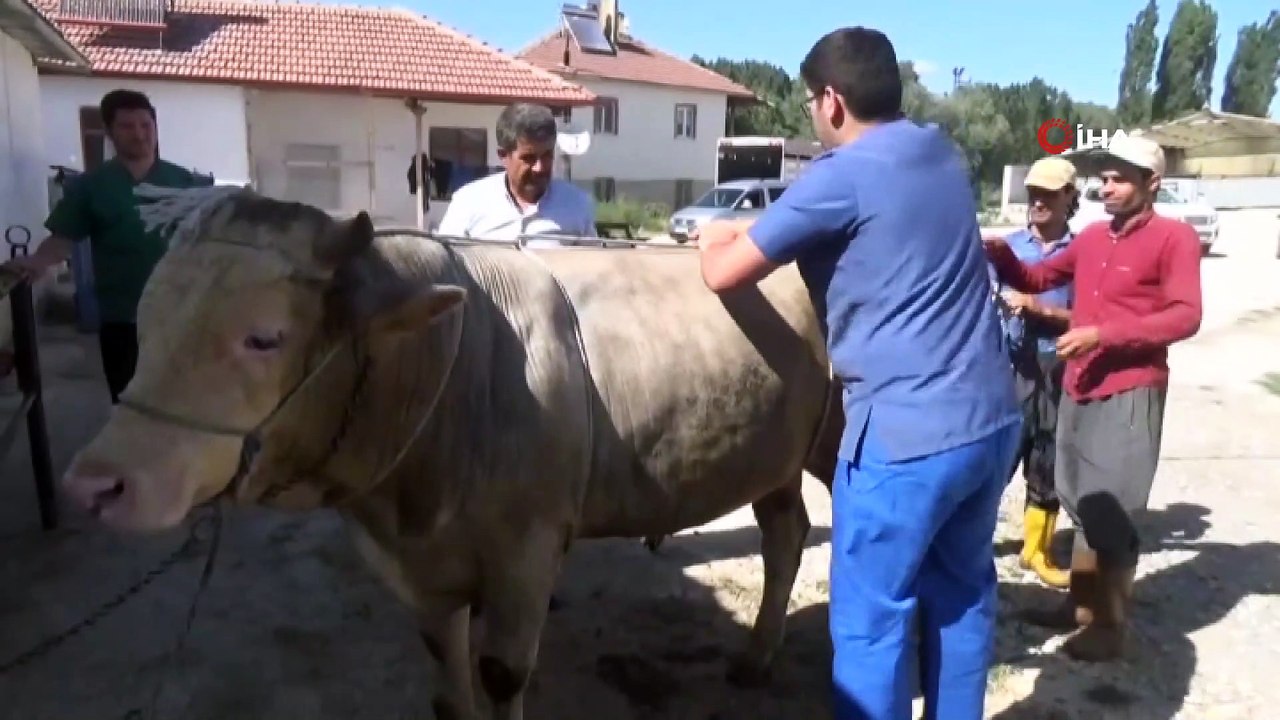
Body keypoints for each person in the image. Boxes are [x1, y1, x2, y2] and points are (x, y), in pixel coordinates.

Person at [694, 27, 1021, 720]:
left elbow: (724, 272)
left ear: (832, 102)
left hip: (905, 442)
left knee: (871, 629)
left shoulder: (839, 177)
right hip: (990, 422)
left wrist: (709, 234)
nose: (814, 113)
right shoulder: (940, 151)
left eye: (813, 101)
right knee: (962, 599)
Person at [985, 134, 1202, 662]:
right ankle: (1079, 606)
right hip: (1079, 381)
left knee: (1114, 511)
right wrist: (999, 255)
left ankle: (1110, 623)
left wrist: (1102, 334)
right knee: (1078, 496)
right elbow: (1039, 275)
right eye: (1103, 178)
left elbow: (1184, 315)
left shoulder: (1175, 239)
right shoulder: (1093, 239)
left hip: (1128, 388)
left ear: (1152, 183)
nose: (1107, 187)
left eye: (1119, 179)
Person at [2, 89, 210, 405]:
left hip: (181, 313)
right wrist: (36, 261)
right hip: (122, 317)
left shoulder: (185, 183)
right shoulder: (93, 186)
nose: (139, 134)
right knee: (128, 403)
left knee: (186, 403)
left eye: (146, 125)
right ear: (110, 133)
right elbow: (62, 239)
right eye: (127, 126)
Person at [991, 156, 1079, 589]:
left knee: (1048, 455)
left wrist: (1038, 307)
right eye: (1034, 193)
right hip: (1009, 365)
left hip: (1058, 364)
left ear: (1069, 197)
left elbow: (1090, 317)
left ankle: (1036, 550)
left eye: (1048, 194)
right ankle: (971, 544)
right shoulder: (1008, 248)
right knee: (995, 456)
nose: (1038, 202)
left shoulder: (1081, 254)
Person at [435, 103, 596, 247]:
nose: (539, 168)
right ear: (503, 155)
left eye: (547, 155)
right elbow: (445, 267)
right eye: (529, 158)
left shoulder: (576, 204)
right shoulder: (468, 202)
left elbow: (594, 271)